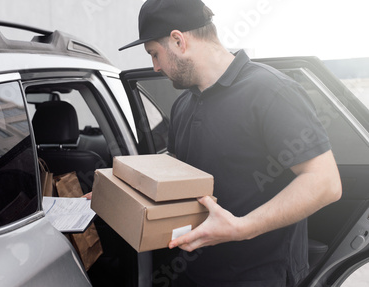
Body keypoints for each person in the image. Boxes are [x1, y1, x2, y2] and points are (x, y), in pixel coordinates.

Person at [119, 0, 342, 286]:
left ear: (178, 40)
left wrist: (242, 228)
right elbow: (175, 178)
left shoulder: (271, 91)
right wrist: (124, 190)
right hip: (192, 270)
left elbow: (325, 182)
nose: (155, 67)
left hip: (258, 275)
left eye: (154, 54)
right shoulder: (183, 105)